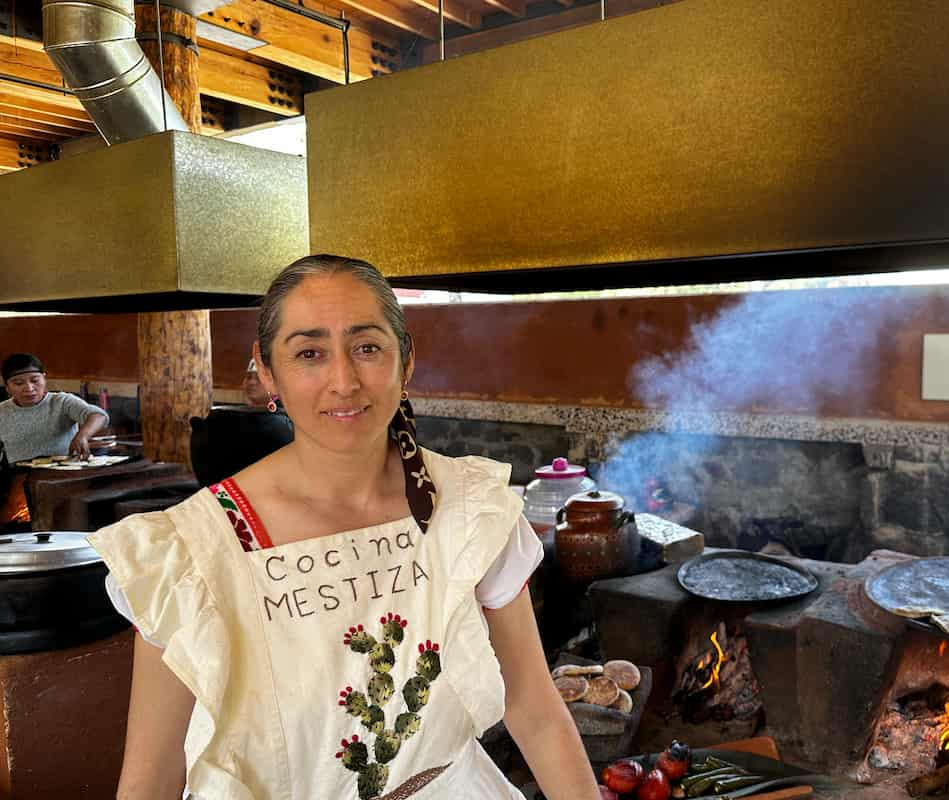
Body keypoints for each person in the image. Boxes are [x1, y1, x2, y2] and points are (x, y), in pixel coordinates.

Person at [89, 255, 600, 800]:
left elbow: (535, 713)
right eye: (310, 353)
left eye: (367, 348)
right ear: (267, 372)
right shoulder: (190, 553)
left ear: (405, 363)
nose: (344, 380)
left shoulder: (468, 512)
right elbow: (152, 778)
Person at [0, 353, 109, 462]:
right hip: (19, 476)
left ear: (44, 379)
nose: (29, 388)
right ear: (7, 388)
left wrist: (83, 435)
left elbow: (99, 415)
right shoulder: (2, 411)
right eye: (19, 383)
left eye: (35, 380)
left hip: (64, 472)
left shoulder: (61, 402)